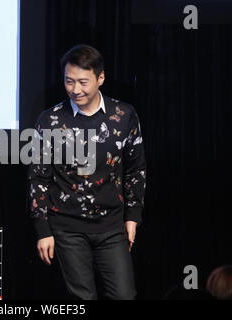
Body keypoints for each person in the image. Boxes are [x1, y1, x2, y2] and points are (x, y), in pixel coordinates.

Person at [29, 44, 146, 300]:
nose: (75, 89)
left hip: (112, 225)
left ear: (100, 78)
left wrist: (133, 217)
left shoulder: (124, 115)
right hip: (67, 227)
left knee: (125, 295)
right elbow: (38, 178)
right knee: (82, 298)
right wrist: (43, 230)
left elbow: (135, 169)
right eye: (69, 81)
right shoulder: (50, 120)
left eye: (83, 82)